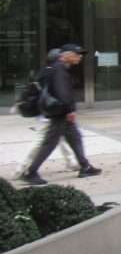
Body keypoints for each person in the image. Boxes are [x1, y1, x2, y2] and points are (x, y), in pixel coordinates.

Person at [20, 44, 102, 186]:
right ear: (66, 55)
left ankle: (85, 166)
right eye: (77, 53)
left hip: (60, 111)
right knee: (50, 142)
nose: (80, 56)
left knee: (74, 137)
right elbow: (62, 93)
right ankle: (30, 172)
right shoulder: (59, 69)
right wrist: (69, 110)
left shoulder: (56, 67)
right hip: (61, 112)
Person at [11, 49, 77, 178]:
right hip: (49, 112)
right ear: (58, 59)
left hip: (48, 112)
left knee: (59, 137)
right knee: (41, 140)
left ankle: (71, 162)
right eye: (62, 57)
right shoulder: (54, 72)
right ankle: (21, 168)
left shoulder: (45, 70)